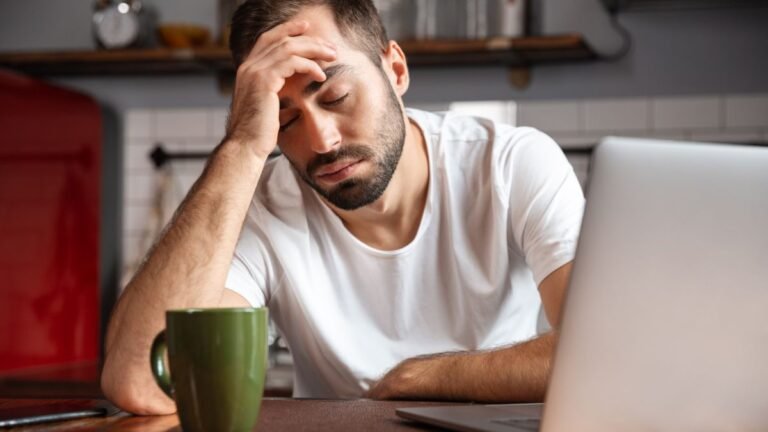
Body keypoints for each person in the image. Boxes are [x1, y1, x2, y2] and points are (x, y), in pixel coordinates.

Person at [101, 0, 584, 415]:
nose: (322, 141)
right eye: (284, 120)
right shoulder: (259, 203)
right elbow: (140, 382)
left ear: (395, 70)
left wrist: (420, 378)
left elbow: (602, 348)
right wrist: (243, 145)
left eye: (336, 97)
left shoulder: (510, 162)